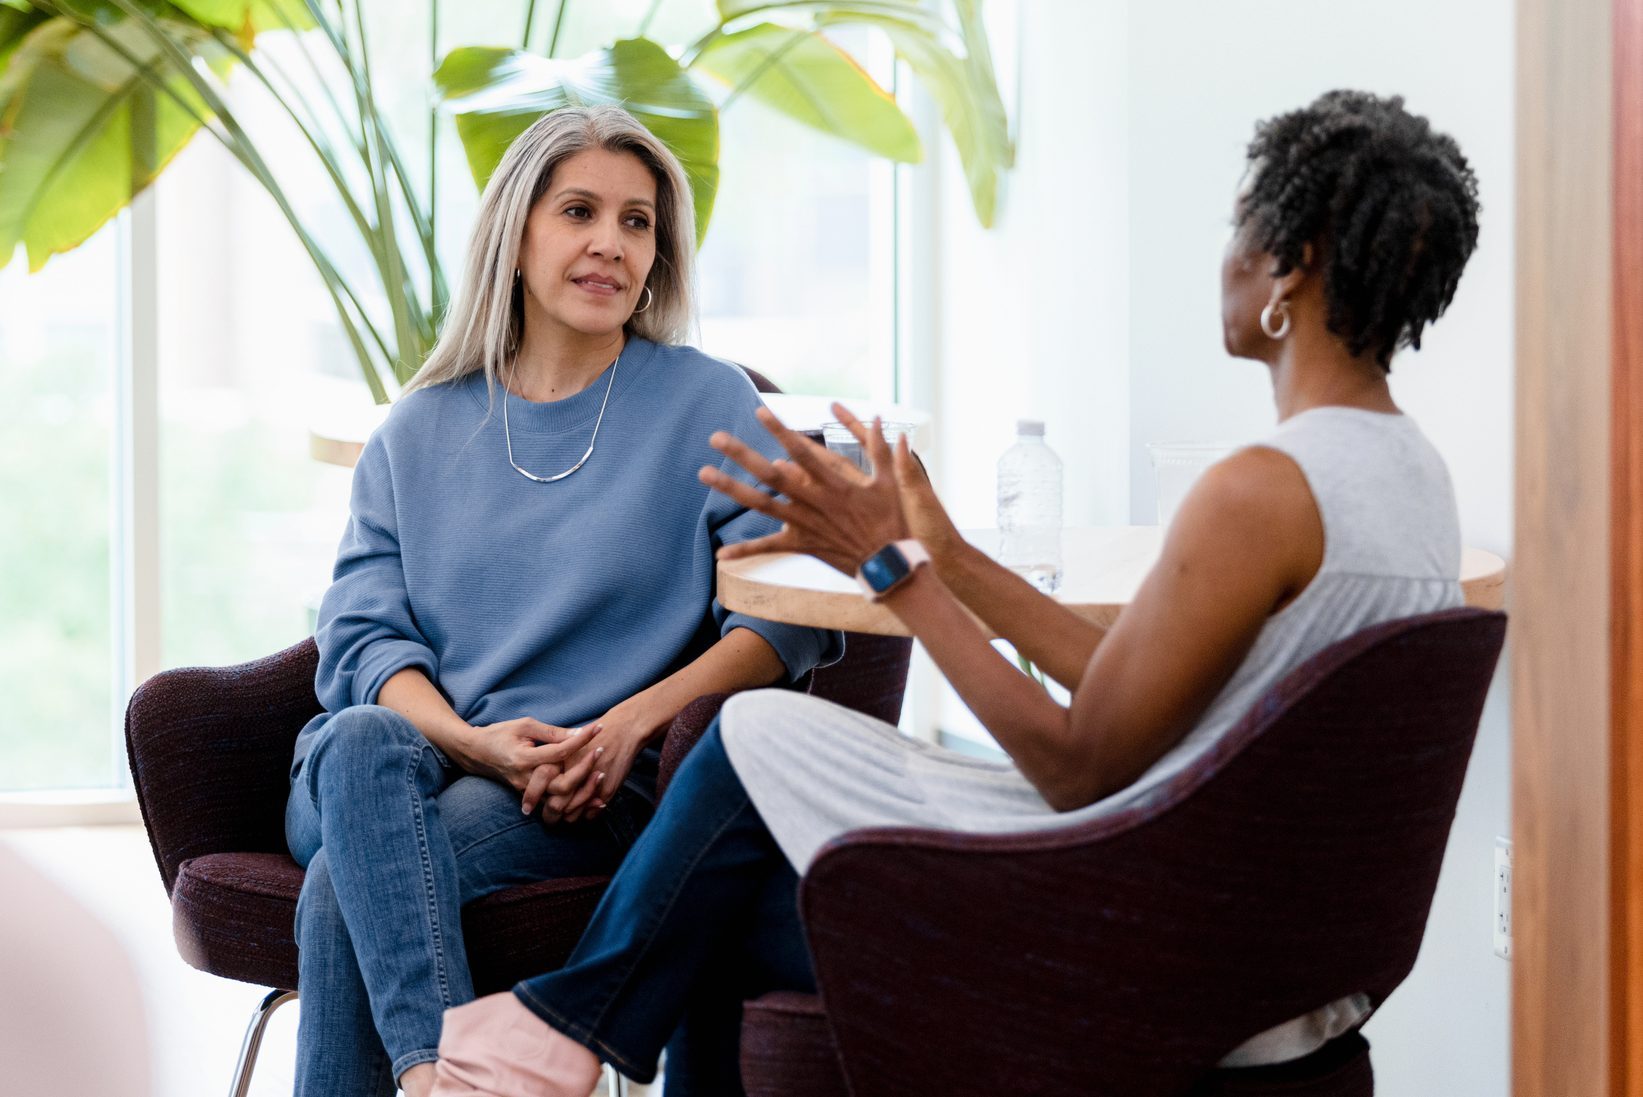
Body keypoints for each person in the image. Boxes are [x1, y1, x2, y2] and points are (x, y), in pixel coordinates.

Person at [427, 89, 1482, 1096]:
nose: (1226, 259)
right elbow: (1127, 683)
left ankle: (564, 1025)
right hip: (1271, 953)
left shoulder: (1260, 489)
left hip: (1156, 952)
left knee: (740, 773)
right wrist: (945, 552)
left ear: (1288, 271)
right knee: (729, 814)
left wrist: (894, 572)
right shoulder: (1404, 472)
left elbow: (1076, 763)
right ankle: (570, 1023)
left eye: (1242, 231)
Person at [284, 105, 840, 1097]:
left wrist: (626, 726)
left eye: (637, 222)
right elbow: (362, 640)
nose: (610, 243)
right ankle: (448, 1077)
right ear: (516, 235)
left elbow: (782, 615)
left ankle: (432, 1077)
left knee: (342, 884)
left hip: (578, 788)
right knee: (357, 740)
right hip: (409, 764)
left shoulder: (707, 402)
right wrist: (472, 742)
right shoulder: (416, 427)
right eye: (578, 210)